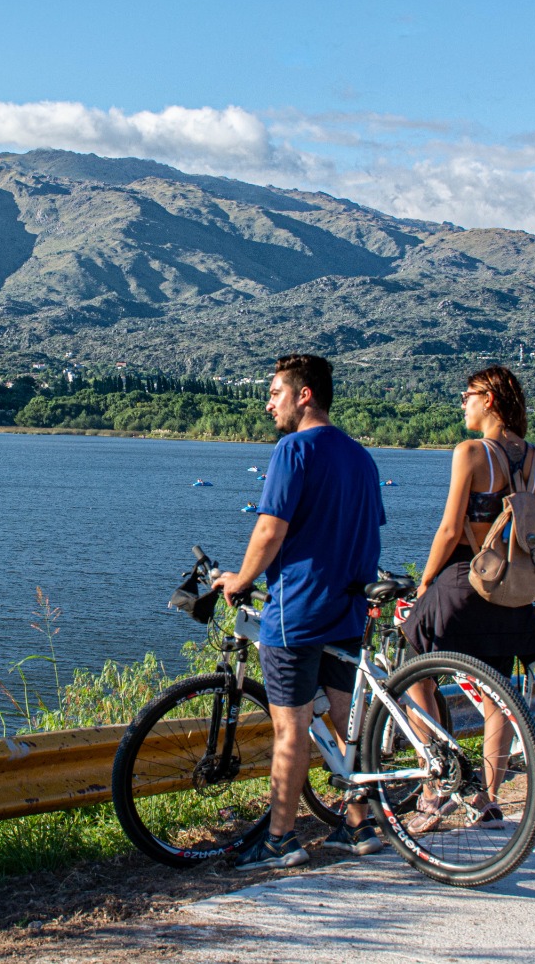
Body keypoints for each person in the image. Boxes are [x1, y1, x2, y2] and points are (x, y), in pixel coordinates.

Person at [211, 354, 387, 870]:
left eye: (274, 393)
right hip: (349, 609)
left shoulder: (294, 449)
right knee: (342, 721)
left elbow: (270, 529)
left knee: (290, 729)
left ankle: (281, 840)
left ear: (303, 394)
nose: (269, 405)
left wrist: (239, 581)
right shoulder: (361, 457)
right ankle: (359, 824)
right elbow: (370, 530)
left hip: (298, 611)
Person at [400, 364, 535, 832]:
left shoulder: (471, 452)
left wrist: (427, 582)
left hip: (465, 581)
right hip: (511, 593)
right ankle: (489, 800)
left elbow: (452, 529)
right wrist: (516, 567)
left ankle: (437, 786)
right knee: (498, 695)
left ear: (489, 399)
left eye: (468, 394)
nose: (463, 402)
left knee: (415, 672)